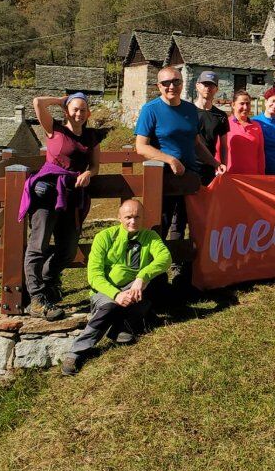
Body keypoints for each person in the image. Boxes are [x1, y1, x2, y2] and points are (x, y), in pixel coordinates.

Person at [61, 199, 171, 375]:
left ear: (144, 218)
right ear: (119, 217)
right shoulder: (104, 237)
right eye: (128, 217)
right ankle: (76, 353)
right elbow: (94, 276)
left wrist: (142, 277)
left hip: (134, 287)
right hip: (106, 290)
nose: (133, 222)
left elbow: (165, 258)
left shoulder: (150, 237)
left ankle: (124, 326)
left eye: (137, 217)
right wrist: (116, 294)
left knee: (158, 280)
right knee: (109, 307)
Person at [21, 92, 103, 321]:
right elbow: (37, 102)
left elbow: (96, 166)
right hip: (47, 192)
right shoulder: (54, 129)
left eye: (83, 110)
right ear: (67, 111)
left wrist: (88, 173)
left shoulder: (91, 136)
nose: (79, 114)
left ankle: (47, 282)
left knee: (68, 249)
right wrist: (62, 100)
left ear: (88, 113)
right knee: (38, 245)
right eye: (75, 109)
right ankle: (37, 299)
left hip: (72, 195)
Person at [134, 67, 224, 239]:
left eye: (176, 81)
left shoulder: (190, 110)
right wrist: (170, 160)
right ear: (158, 86)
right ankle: (155, 264)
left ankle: (180, 264)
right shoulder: (150, 109)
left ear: (182, 84)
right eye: (166, 83)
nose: (171, 86)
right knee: (160, 223)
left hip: (189, 177)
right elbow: (141, 146)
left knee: (185, 222)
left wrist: (215, 163)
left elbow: (196, 143)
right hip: (163, 178)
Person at [193, 71, 229, 187]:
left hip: (209, 166)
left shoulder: (221, 116)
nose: (208, 88)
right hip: (188, 165)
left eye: (212, 85)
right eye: (205, 84)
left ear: (216, 89)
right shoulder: (187, 111)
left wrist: (223, 165)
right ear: (197, 86)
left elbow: (224, 145)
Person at [221, 90, 266, 175]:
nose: (245, 107)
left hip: (252, 176)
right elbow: (218, 150)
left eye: (248, 104)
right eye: (242, 103)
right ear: (233, 105)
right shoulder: (225, 124)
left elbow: (260, 154)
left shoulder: (256, 126)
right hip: (230, 175)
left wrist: (261, 175)